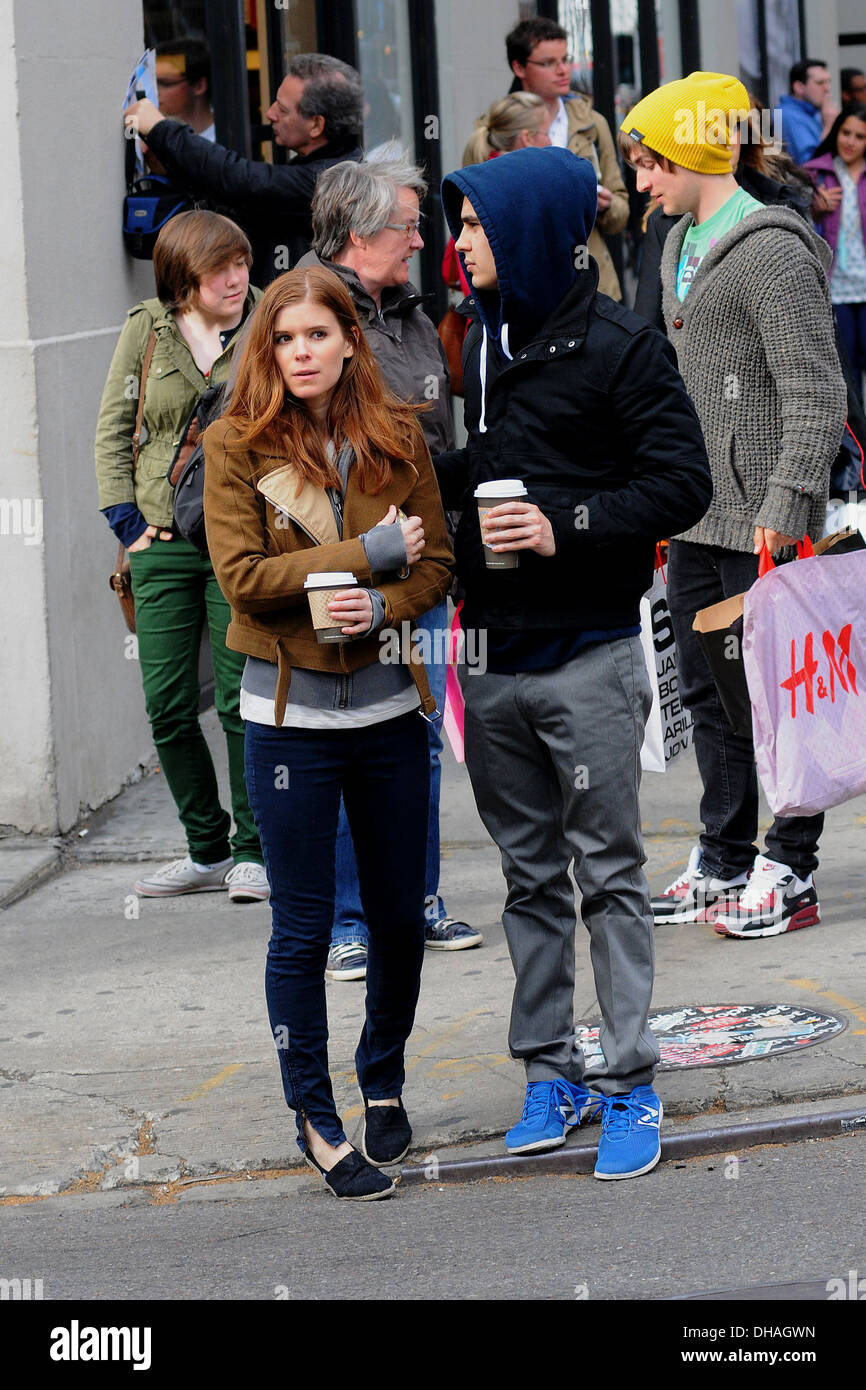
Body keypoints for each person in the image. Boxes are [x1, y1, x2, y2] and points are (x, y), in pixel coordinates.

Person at [436, 147, 712, 1179]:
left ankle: (630, 1081)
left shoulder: (621, 346)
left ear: (531, 231)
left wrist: (569, 523)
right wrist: (427, 476)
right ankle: (546, 1068)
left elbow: (680, 483)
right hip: (490, 659)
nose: (458, 244)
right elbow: (490, 461)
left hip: (587, 659)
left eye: (473, 227)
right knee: (524, 879)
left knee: (608, 874)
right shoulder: (480, 339)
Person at [202, 267, 453, 1200]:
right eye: (284, 339)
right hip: (288, 720)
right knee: (303, 929)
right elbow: (244, 578)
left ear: (350, 339)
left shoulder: (398, 438)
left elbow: (439, 566)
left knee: (398, 919)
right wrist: (367, 556)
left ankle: (381, 1078)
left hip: (390, 710)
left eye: (317, 335)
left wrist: (381, 604)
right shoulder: (237, 443)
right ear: (267, 350)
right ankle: (314, 1115)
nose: (301, 353)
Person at [620, 72, 847, 939]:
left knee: (784, 704)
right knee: (711, 702)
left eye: (652, 161)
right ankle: (723, 857)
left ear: (696, 150)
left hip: (765, 519)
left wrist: (790, 499)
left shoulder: (774, 248)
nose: (642, 180)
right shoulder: (676, 238)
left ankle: (790, 866)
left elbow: (816, 390)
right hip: (693, 515)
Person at [297, 146, 482, 981]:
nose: (419, 242)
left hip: (421, 572)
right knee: (341, 739)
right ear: (360, 233)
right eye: (408, 227)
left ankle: (416, 901)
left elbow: (436, 434)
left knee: (419, 737)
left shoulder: (408, 310)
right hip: (337, 570)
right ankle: (347, 922)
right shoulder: (299, 309)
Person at [94, 211, 268, 903]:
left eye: (241, 262)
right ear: (181, 279)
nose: (235, 277)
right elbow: (113, 427)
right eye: (217, 269)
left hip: (238, 543)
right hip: (160, 545)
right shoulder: (147, 328)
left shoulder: (267, 321)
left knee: (238, 701)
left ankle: (254, 851)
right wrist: (128, 523)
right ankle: (206, 848)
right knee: (167, 705)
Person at [123, 54, 364, 286]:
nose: (270, 114)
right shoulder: (326, 164)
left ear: (316, 125)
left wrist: (160, 129)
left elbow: (242, 180)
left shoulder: (332, 182)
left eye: (283, 109)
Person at [505, 15, 628, 299]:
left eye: (565, 59)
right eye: (548, 63)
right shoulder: (496, 129)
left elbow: (622, 210)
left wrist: (607, 206)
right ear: (519, 67)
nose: (563, 70)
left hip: (593, 286)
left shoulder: (592, 123)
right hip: (529, 287)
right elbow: (477, 214)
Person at [805, 105, 866, 400]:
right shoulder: (815, 172)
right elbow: (797, 219)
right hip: (836, 285)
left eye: (859, 136)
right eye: (846, 132)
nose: (850, 141)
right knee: (847, 370)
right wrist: (813, 205)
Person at [775, 59, 840, 166]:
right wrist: (829, 127)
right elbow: (810, 166)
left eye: (828, 82)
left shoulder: (815, 113)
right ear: (799, 87)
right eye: (820, 83)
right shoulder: (786, 116)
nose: (827, 89)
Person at [462, 92, 551, 164]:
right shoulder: (526, 181)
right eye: (547, 133)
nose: (550, 142)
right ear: (527, 138)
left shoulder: (486, 172)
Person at [153, 39, 215, 140]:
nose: (155, 91)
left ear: (199, 86)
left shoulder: (229, 138)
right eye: (153, 83)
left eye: (166, 84)